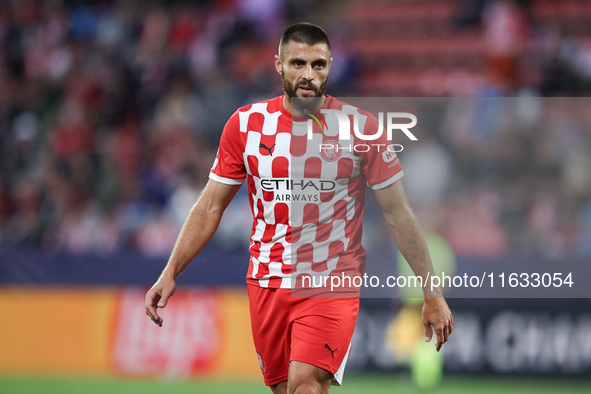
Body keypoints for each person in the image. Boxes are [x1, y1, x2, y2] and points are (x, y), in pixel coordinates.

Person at [145, 22, 453, 394]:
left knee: (305, 386)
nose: (309, 74)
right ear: (278, 64)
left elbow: (399, 213)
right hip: (266, 282)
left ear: (330, 66)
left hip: (331, 280)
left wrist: (431, 293)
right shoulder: (245, 125)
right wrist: (171, 271)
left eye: (318, 65)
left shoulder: (361, 128)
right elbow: (210, 206)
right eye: (298, 63)